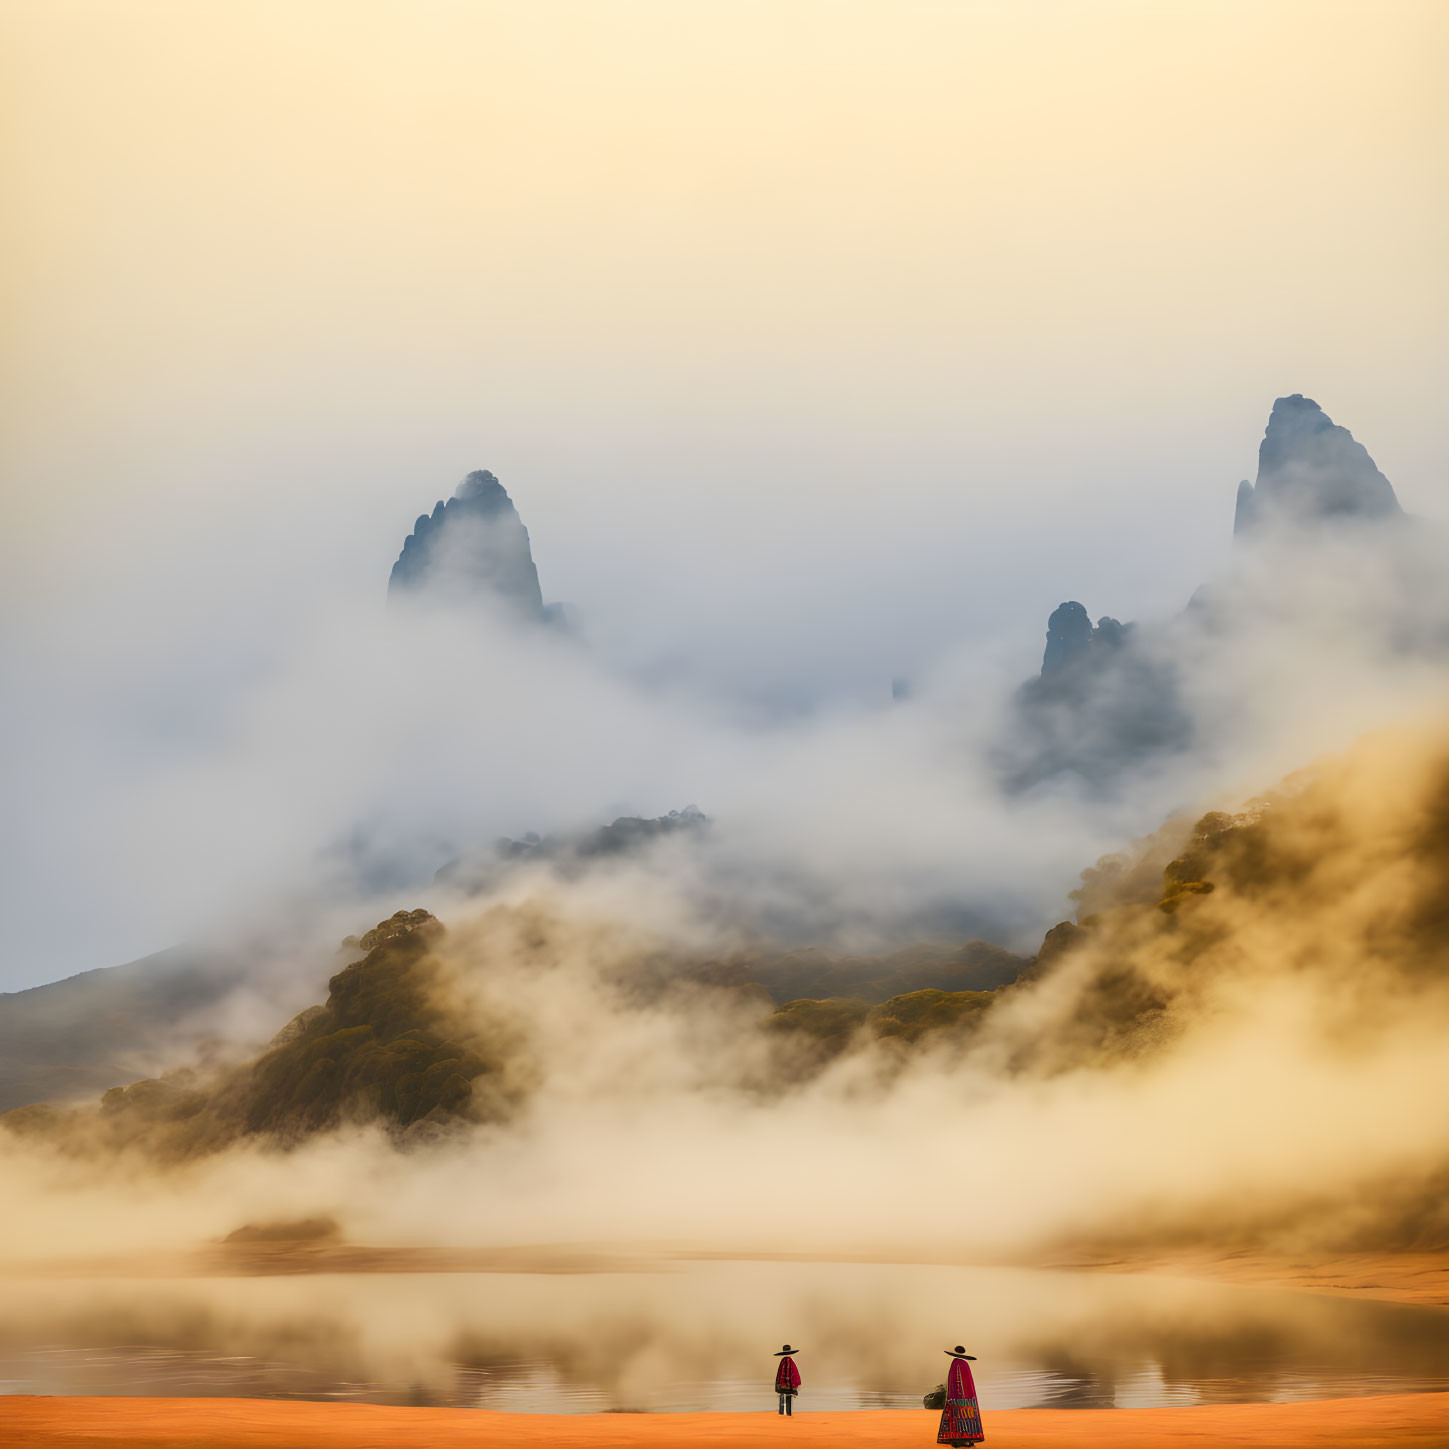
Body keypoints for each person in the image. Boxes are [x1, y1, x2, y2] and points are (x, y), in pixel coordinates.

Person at [937, 1346, 984, 1446]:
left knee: (957, 1415)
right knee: (967, 1415)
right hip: (967, 1397)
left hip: (956, 1396)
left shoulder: (955, 1363)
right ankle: (967, 1438)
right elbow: (967, 1383)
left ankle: (958, 1439)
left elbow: (953, 1381)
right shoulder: (965, 1364)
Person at [773, 1344, 801, 1416]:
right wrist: (796, 1382)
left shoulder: (783, 1361)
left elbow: (780, 1373)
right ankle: (788, 1413)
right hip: (789, 1384)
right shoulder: (790, 1360)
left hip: (782, 1383)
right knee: (788, 1397)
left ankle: (781, 1412)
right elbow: (794, 1372)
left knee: (782, 1396)